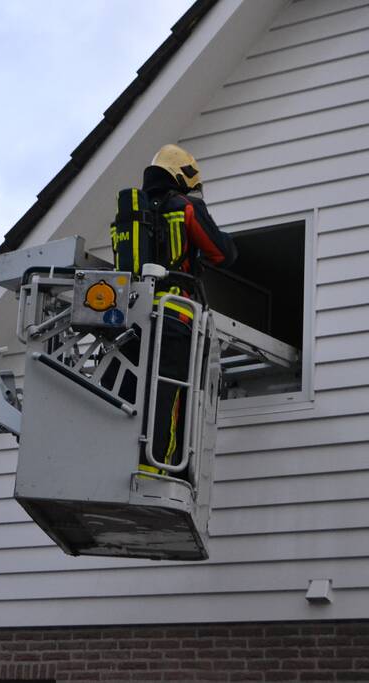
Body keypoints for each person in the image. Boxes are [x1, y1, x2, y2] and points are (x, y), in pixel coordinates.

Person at [138, 144, 237, 479]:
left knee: (139, 391)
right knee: (171, 392)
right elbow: (222, 253)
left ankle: (137, 459)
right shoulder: (184, 207)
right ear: (183, 175)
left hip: (135, 319)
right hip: (175, 317)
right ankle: (161, 468)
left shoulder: (133, 211)